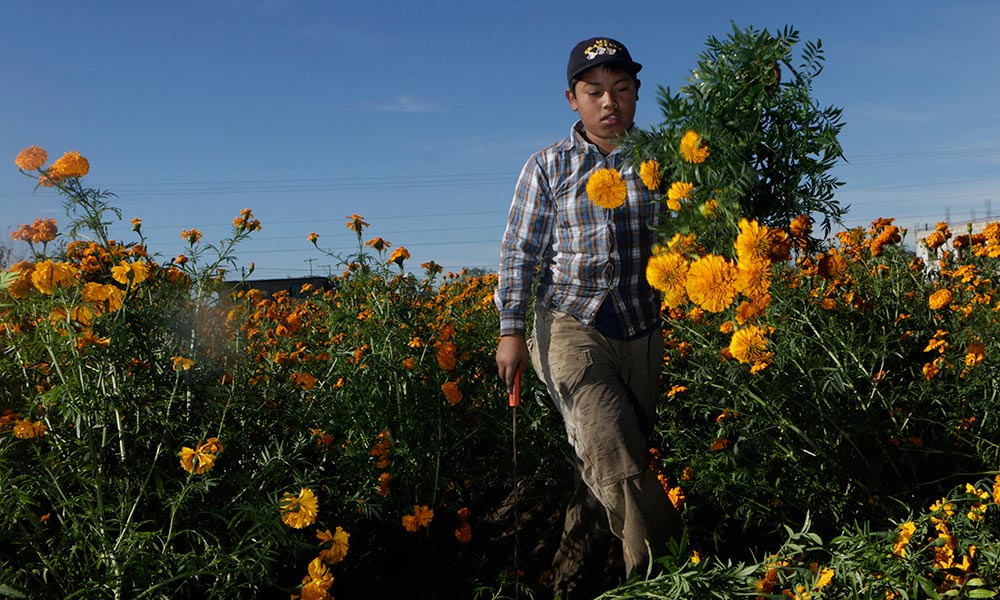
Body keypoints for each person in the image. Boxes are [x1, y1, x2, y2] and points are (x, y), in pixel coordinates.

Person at [494, 37, 681, 597]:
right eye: (594, 91)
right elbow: (518, 251)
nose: (610, 102)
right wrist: (510, 330)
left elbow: (687, 233)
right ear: (572, 99)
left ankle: (568, 584)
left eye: (622, 89)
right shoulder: (547, 166)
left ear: (636, 95)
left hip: (642, 326)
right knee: (618, 458)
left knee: (600, 465)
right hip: (571, 324)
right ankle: (668, 579)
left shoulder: (659, 161)